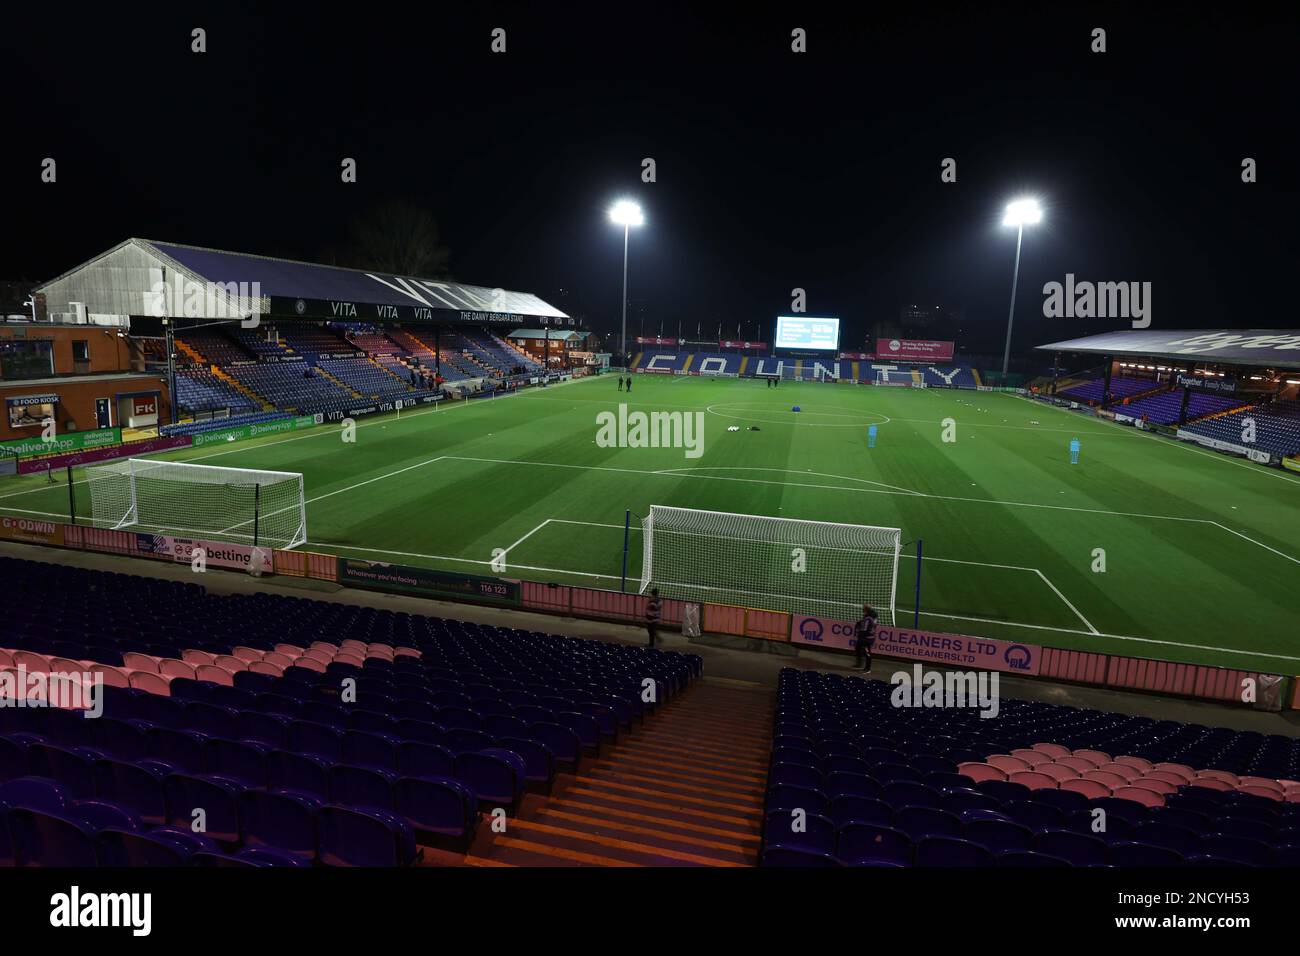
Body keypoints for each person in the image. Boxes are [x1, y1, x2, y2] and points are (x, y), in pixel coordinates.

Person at [854, 604, 878, 672]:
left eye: (864, 608)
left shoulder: (868, 618)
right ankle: (859, 664)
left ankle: (867, 669)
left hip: (867, 638)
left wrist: (859, 633)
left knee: (867, 652)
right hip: (866, 637)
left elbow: (865, 629)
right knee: (858, 647)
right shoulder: (869, 617)